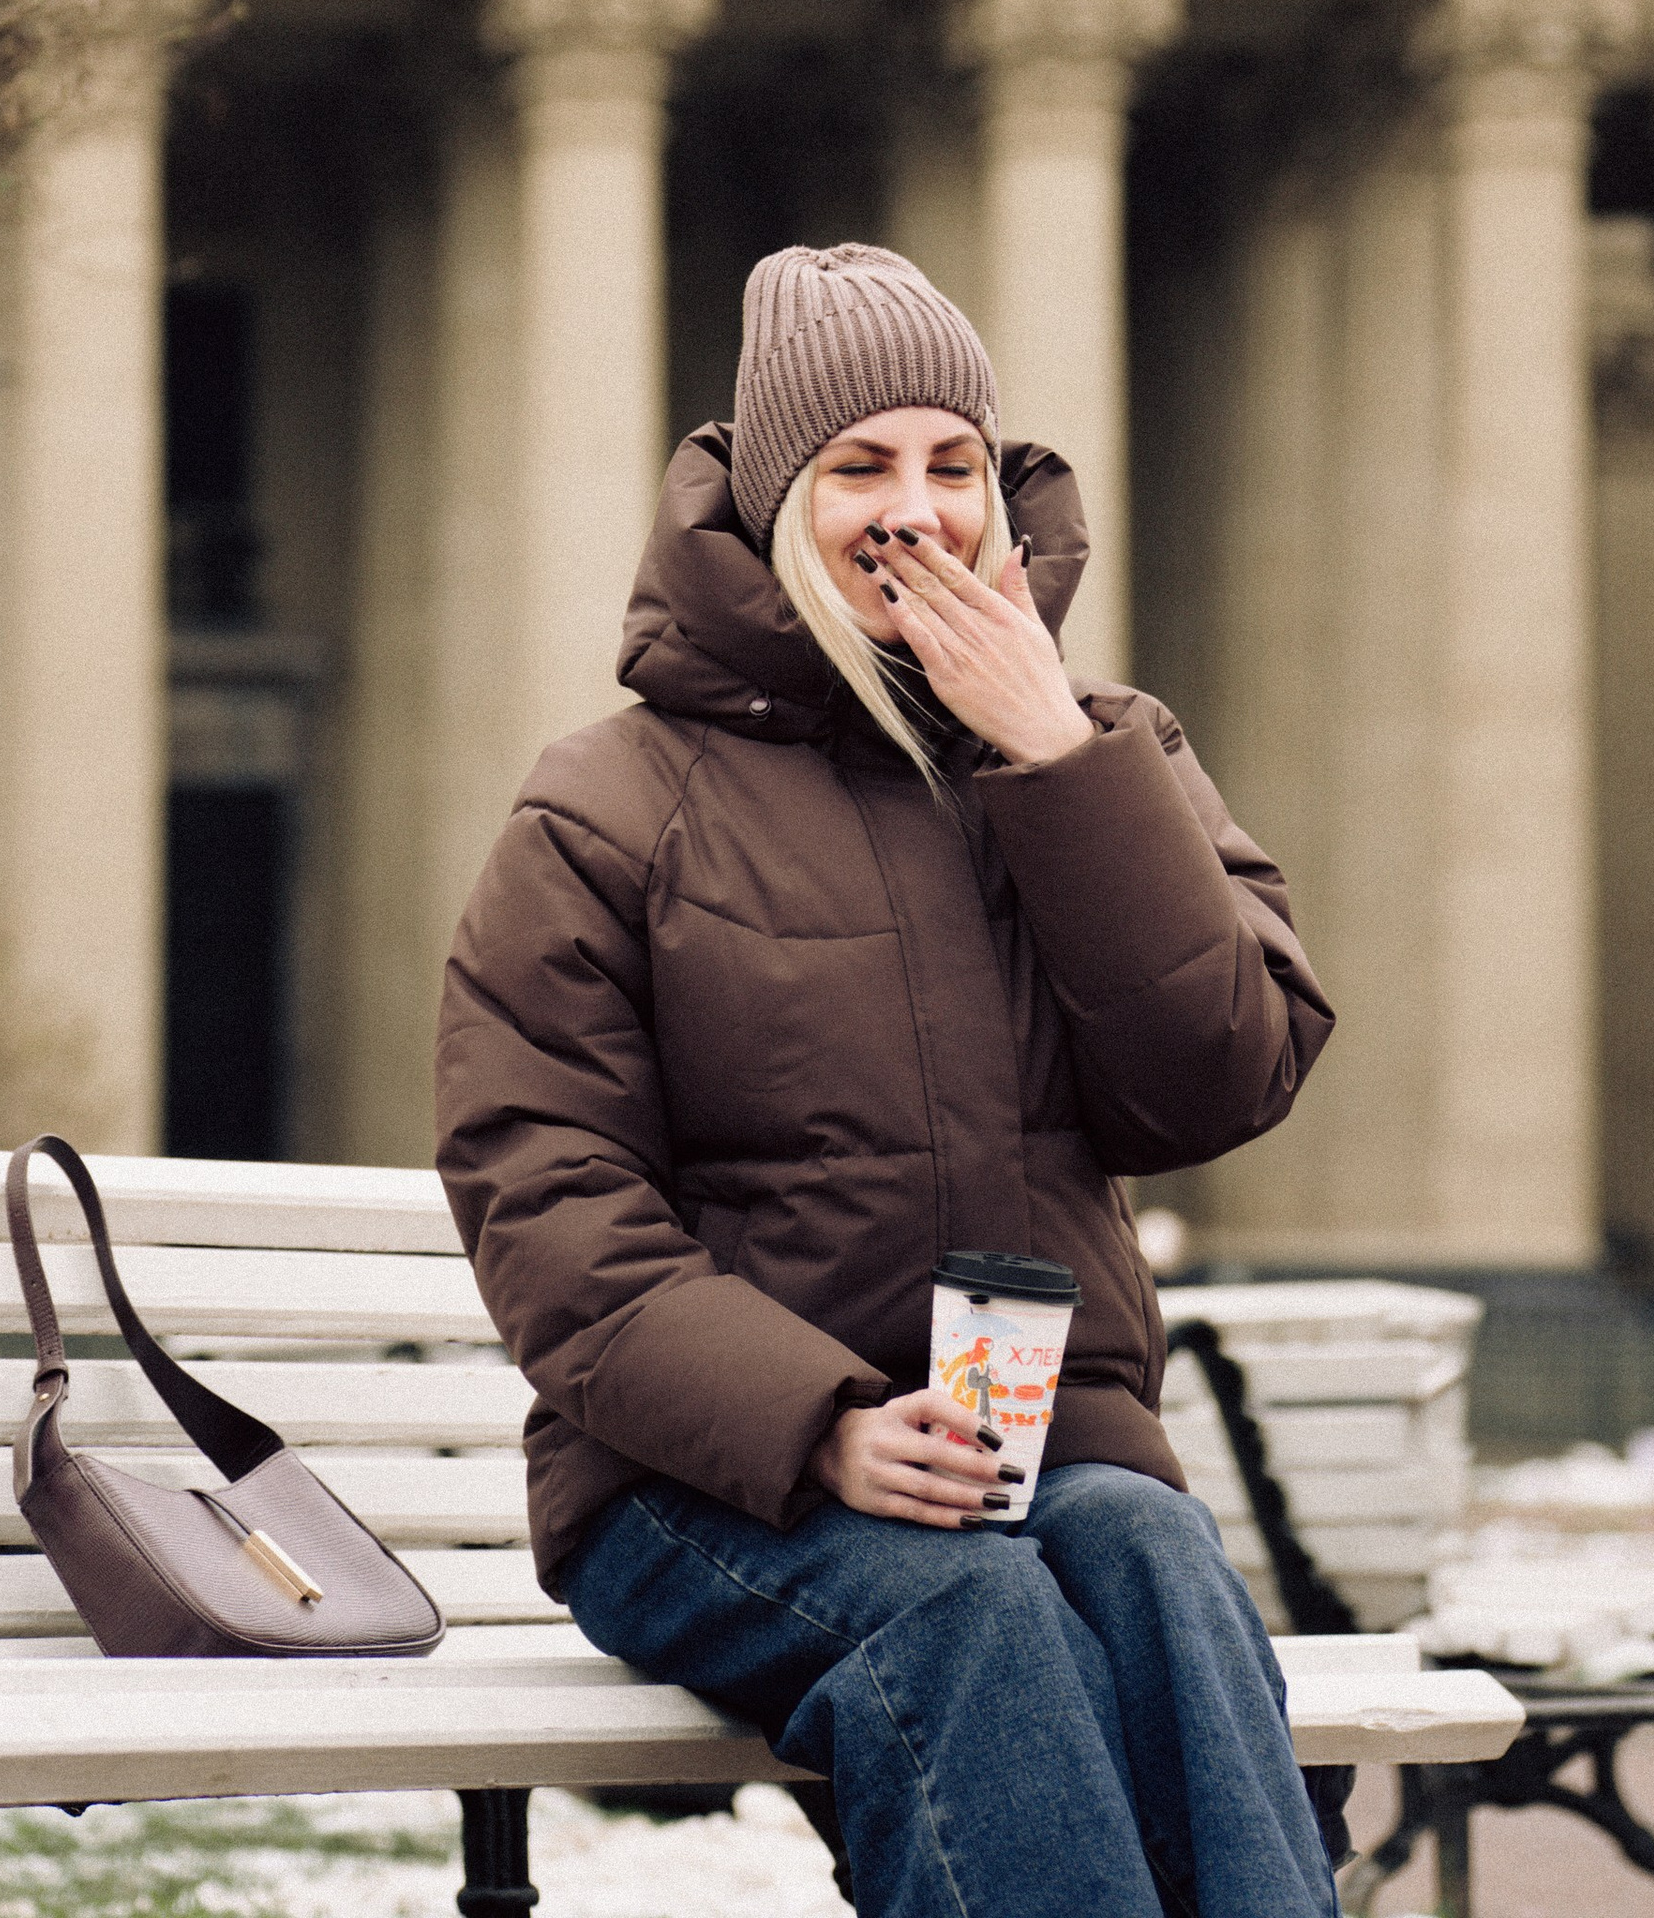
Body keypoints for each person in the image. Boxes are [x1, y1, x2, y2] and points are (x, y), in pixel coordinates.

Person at [436, 239, 1339, 1918]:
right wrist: (827, 1428)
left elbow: (1221, 1078)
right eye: (857, 467)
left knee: (1152, 1554)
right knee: (969, 1615)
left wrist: (1060, 764)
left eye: (952, 465)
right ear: (779, 501)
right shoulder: (610, 806)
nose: (910, 507)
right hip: (709, 1485)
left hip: (1040, 1445)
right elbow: (544, 1194)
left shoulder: (1098, 757)